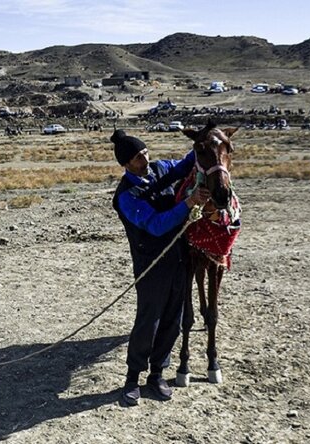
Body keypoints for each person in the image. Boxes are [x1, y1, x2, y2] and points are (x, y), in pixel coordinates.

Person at [111, 129, 209, 407]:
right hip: (150, 263)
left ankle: (157, 374)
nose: (145, 158)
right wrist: (189, 203)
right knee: (149, 320)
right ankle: (132, 378)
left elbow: (185, 164)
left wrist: (204, 140)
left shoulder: (158, 168)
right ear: (126, 164)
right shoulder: (126, 196)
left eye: (145, 152)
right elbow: (155, 225)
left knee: (173, 318)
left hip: (177, 257)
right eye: (138, 157)